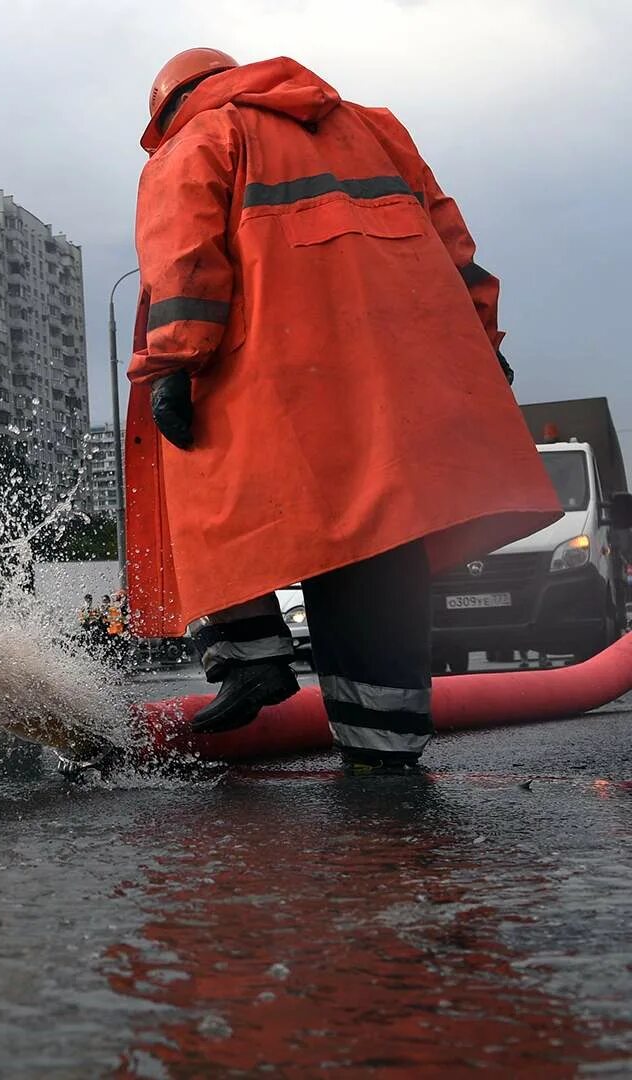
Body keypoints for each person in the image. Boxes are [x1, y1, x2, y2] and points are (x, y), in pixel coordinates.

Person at [123, 49, 562, 772]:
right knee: (375, 541)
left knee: (195, 486)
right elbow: (453, 240)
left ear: (169, 106)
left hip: (272, 374)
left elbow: (184, 258)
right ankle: (385, 748)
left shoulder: (198, 139)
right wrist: (480, 340)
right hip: (394, 374)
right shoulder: (375, 128)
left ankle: (250, 654)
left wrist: (175, 360)